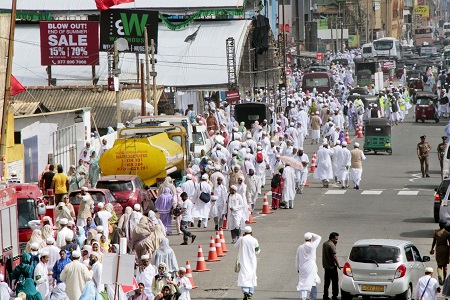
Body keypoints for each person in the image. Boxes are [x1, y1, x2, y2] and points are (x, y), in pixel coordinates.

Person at [235, 226, 260, 300]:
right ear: (251, 232)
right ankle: (250, 293)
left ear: (244, 232)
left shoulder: (241, 239)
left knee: (243, 275)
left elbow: (236, 246)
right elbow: (257, 251)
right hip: (252, 261)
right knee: (252, 275)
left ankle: (245, 291)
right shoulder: (254, 240)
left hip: (243, 260)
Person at [296, 232, 322, 300]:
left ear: (305, 239)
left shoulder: (300, 247)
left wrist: (297, 268)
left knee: (303, 283)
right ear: (310, 239)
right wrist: (312, 234)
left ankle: (303, 298)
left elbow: (297, 259)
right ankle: (312, 298)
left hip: (302, 268)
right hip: (311, 267)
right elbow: (319, 237)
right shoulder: (313, 246)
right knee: (313, 282)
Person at [430, 221, 450, 285]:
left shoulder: (436, 232)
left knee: (439, 265)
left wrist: (432, 249)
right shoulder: (447, 233)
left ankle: (439, 275)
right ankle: (444, 279)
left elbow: (434, 242)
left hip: (438, 249)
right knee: (445, 265)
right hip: (445, 249)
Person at [322, 232, 341, 300]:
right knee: (335, 282)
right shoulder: (331, 245)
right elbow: (334, 256)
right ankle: (334, 296)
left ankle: (325, 295)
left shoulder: (325, 244)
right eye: (336, 239)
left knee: (326, 282)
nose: (337, 240)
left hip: (326, 266)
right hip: (332, 267)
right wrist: (338, 265)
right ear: (332, 238)